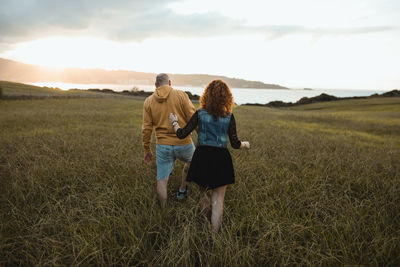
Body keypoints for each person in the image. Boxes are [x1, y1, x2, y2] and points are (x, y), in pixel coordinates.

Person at [169, 79, 250, 231]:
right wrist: (244, 144)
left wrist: (174, 122)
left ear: (206, 96)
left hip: (202, 157)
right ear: (227, 97)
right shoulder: (229, 116)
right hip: (221, 159)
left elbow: (181, 134)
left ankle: (204, 227)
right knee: (218, 200)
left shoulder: (199, 114)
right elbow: (234, 143)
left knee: (204, 195)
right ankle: (214, 235)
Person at [142, 73, 196, 207]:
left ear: (156, 85)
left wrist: (147, 149)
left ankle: (163, 211)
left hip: (163, 146)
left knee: (162, 181)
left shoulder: (148, 101)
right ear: (170, 83)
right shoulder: (181, 95)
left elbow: (146, 128)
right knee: (192, 162)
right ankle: (182, 190)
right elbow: (193, 118)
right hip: (184, 143)